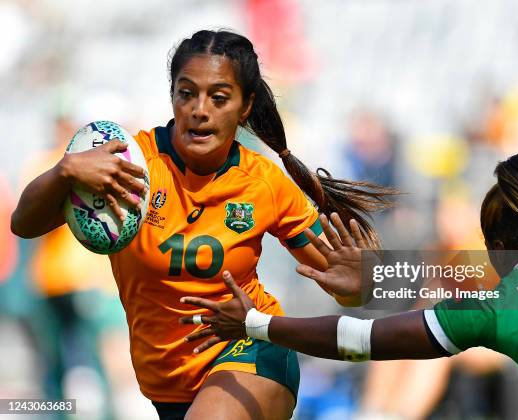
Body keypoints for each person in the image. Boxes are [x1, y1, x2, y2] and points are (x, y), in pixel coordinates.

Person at [11, 30, 394, 420]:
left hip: (251, 353)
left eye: (219, 97)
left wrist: (360, 284)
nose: (199, 109)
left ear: (245, 107)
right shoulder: (132, 163)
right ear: (173, 97)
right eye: (186, 92)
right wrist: (65, 172)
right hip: (168, 386)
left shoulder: (264, 182)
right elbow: (23, 224)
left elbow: (356, 286)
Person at [182, 151, 518, 419]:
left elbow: (359, 337)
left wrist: (255, 324)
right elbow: (431, 278)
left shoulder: (499, 301)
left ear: (495, 245)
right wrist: (373, 275)